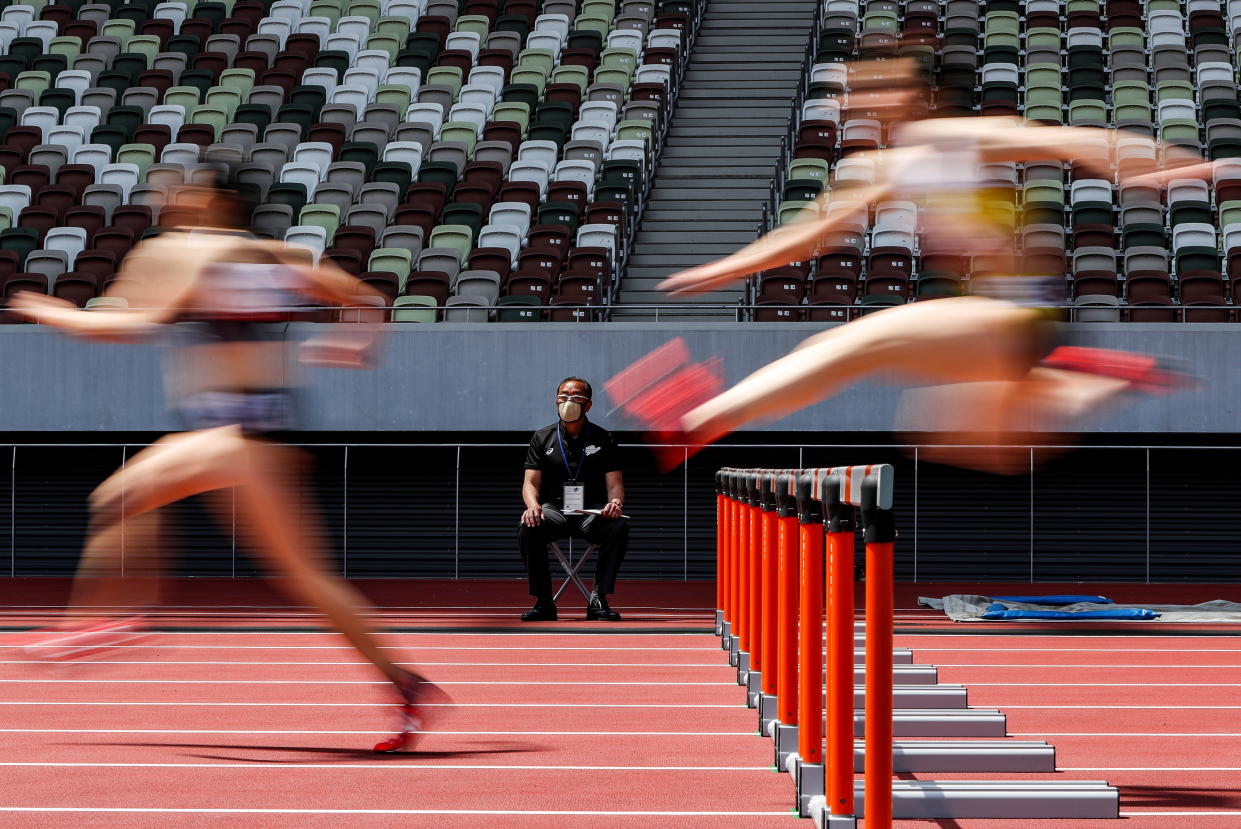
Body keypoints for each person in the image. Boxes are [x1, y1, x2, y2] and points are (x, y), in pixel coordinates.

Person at [11, 168, 445, 753]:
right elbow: (366, 298)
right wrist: (358, 341)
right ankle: (406, 685)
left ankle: (109, 615)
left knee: (118, 495)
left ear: (212, 198)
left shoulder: (188, 252)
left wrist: (51, 311)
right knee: (306, 579)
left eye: (177, 187)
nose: (159, 195)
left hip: (234, 434)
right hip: (264, 441)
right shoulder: (272, 254)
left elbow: (133, 324)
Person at [611, 60, 1198, 475]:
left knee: (850, 345)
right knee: (956, 437)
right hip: (1005, 329)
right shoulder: (879, 168)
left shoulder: (953, 135)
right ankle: (1089, 374)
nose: (856, 100)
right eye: (853, 92)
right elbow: (808, 235)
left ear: (915, 95)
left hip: (1016, 310)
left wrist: (1154, 167)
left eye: (875, 87)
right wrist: (726, 267)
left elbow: (1069, 139)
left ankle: (697, 419)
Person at [518, 377, 628, 621]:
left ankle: (598, 599)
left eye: (576, 396)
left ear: (587, 405)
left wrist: (615, 503)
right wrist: (533, 506)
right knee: (529, 526)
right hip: (554, 511)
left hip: (591, 513)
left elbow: (615, 484)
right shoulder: (542, 437)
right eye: (563, 396)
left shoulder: (604, 438)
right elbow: (530, 483)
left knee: (618, 527)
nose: (568, 401)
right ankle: (544, 601)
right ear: (556, 401)